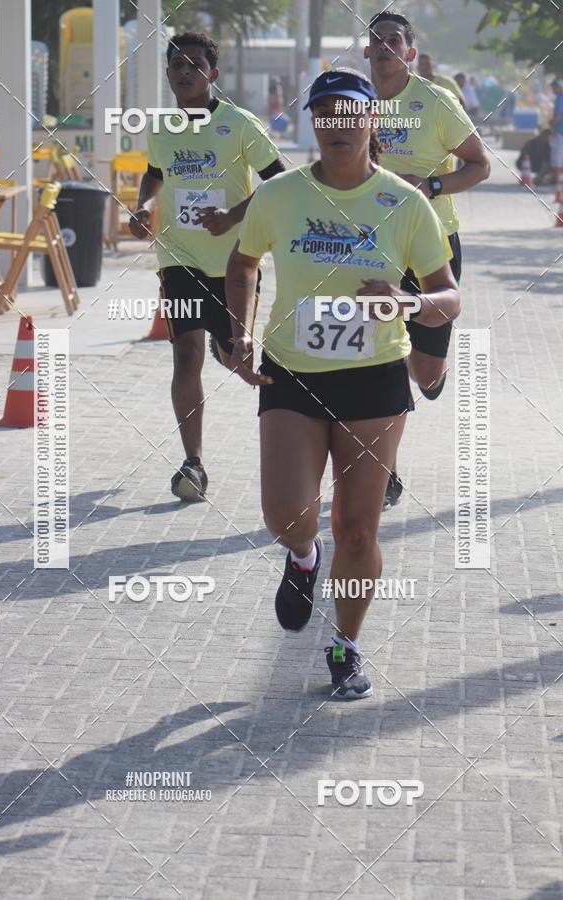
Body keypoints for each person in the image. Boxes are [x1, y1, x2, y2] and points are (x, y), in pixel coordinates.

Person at [225, 69, 460, 699]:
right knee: (286, 514)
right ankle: (303, 557)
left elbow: (449, 297)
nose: (337, 124)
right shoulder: (280, 196)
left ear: (371, 121)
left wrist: (406, 302)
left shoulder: (404, 203)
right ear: (312, 124)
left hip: (375, 379)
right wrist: (239, 332)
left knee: (357, 529)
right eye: (324, 113)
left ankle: (345, 646)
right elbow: (243, 261)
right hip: (292, 373)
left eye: (349, 113)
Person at [130, 32, 285, 502]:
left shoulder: (239, 124)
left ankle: (229, 348)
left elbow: (279, 182)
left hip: (237, 261)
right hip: (179, 256)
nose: (185, 72)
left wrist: (233, 217)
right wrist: (145, 207)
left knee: (237, 357)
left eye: (195, 65)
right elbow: (155, 175)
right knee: (185, 353)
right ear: (168, 74)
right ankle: (193, 463)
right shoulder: (161, 128)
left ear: (212, 74)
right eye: (177, 65)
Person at [365, 12, 490, 507]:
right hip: (374, 245)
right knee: (383, 356)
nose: (384, 47)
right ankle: (386, 470)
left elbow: (479, 165)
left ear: (410, 53)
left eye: (393, 40)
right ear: (366, 51)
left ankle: (433, 374)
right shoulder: (356, 100)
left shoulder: (436, 101)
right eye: (376, 40)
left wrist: (432, 185)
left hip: (434, 243)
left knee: (423, 371)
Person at [550, 80, 563, 175]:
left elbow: (558, 115)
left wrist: (553, 128)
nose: (553, 89)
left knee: (557, 154)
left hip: (560, 130)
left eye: (554, 87)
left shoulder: (560, 98)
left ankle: (558, 177)